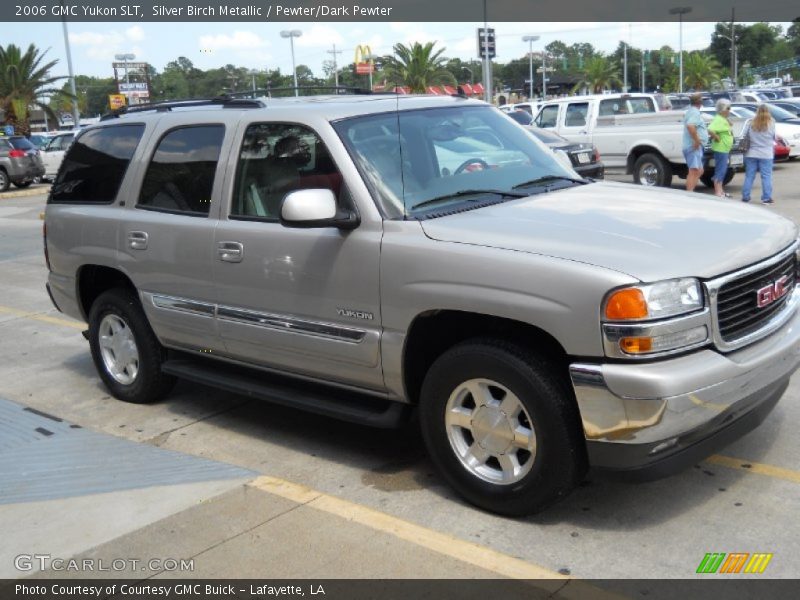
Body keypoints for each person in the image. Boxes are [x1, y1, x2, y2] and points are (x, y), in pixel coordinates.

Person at [741, 104, 777, 204]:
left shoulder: (751, 122)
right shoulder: (772, 122)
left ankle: (746, 197)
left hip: (751, 152)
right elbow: (774, 137)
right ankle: (766, 198)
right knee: (766, 176)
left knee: (749, 176)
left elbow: (745, 135)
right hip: (766, 153)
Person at [708, 98, 734, 198]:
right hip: (721, 148)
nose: (729, 110)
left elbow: (729, 126)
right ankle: (717, 191)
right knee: (721, 169)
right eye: (728, 108)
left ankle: (721, 190)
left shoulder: (722, 119)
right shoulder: (718, 119)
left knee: (723, 169)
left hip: (725, 149)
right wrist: (717, 137)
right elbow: (710, 129)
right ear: (722, 109)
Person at [682, 93, 709, 192]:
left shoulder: (692, 111)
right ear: (699, 102)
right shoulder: (694, 113)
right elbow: (690, 126)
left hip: (694, 146)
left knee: (699, 170)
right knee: (694, 170)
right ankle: (689, 193)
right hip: (693, 146)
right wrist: (697, 140)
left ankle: (691, 191)